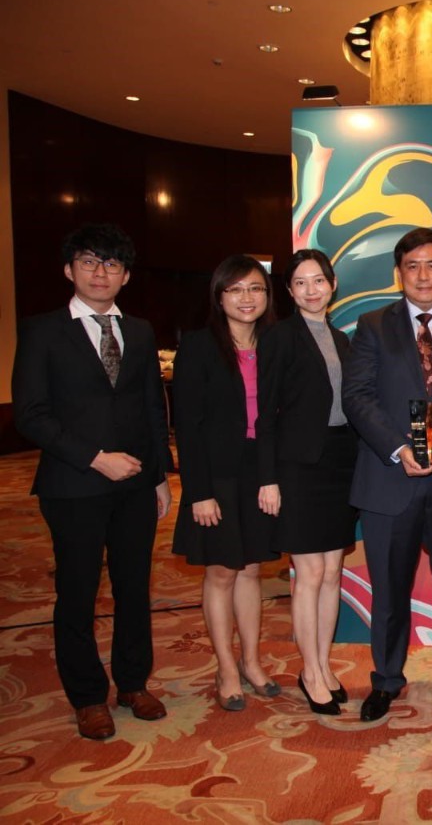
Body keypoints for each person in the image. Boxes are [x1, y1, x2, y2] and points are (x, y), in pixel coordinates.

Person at [12, 223, 173, 740]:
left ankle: (132, 683)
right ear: (69, 270)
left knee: (133, 589)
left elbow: (153, 406)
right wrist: (94, 457)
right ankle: (87, 696)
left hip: (135, 488)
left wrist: (160, 476)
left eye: (111, 264)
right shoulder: (42, 330)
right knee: (78, 593)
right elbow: (31, 414)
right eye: (88, 261)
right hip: (72, 485)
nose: (100, 272)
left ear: (125, 275)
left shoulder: (142, 331)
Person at [342, 227, 432, 723]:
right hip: (390, 480)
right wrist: (399, 447)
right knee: (389, 589)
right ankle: (385, 679)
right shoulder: (374, 325)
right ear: (399, 272)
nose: (422, 276)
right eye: (412, 266)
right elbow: (357, 397)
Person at [172, 254, 282, 711]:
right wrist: (198, 491)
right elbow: (188, 425)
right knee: (221, 571)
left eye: (255, 288)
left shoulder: (277, 343)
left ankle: (253, 661)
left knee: (252, 568)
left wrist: (274, 476)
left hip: (261, 472)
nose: (246, 298)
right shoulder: (198, 346)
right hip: (215, 476)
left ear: (267, 295)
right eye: (235, 289)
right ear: (219, 297)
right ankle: (226, 668)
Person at [256, 250, 357, 715]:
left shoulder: (342, 338)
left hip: (340, 463)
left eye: (319, 280)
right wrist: (269, 478)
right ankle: (310, 669)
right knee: (309, 574)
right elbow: (265, 415)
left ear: (332, 285)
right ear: (290, 291)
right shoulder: (279, 337)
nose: (311, 289)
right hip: (297, 468)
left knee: (334, 573)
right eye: (301, 283)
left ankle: (324, 663)